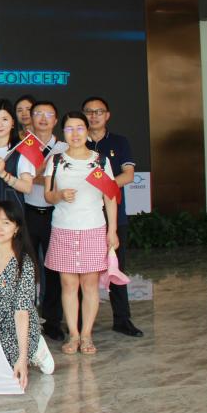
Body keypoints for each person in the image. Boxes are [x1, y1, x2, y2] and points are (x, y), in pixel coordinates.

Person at [43, 111, 119, 356]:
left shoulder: (100, 161)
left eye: (79, 128)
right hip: (63, 228)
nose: (74, 133)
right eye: (69, 129)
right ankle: (73, 334)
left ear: (87, 131)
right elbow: (48, 195)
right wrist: (59, 195)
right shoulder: (56, 160)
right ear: (63, 132)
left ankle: (86, 334)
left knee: (89, 284)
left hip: (93, 228)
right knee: (68, 284)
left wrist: (112, 230)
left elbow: (110, 197)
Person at [0, 199, 54, 390]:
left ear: (16, 228)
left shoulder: (24, 264)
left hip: (17, 325)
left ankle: (34, 348)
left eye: (6, 222)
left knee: (3, 365)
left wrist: (22, 357)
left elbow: (21, 312)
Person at [83, 96, 143, 338]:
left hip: (114, 215)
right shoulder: (77, 142)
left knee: (116, 268)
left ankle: (122, 320)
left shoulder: (119, 142)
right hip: (84, 217)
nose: (94, 116)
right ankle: (81, 323)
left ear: (107, 115)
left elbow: (128, 175)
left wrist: (103, 187)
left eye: (99, 111)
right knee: (82, 270)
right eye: (89, 112)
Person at [23, 100, 68, 342]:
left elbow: (62, 182)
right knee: (26, 269)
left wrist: (35, 177)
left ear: (56, 120)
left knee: (53, 269)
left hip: (55, 214)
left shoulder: (64, 147)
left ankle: (52, 321)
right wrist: (44, 178)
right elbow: (20, 179)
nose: (42, 118)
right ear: (30, 118)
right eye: (38, 113)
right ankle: (27, 320)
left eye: (48, 114)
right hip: (27, 213)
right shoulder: (23, 146)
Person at [0, 99, 35, 236]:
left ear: (13, 122)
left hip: (12, 218)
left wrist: (4, 174)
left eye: (4, 119)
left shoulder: (23, 149)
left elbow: (27, 187)